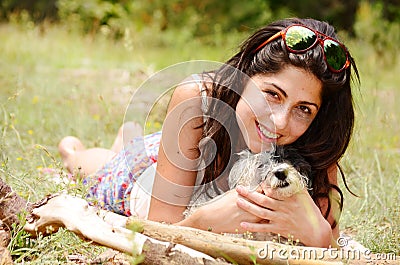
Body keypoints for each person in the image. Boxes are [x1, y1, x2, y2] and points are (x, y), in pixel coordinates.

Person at [58, 17, 359, 248]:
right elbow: (159, 228)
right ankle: (78, 149)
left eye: (303, 109)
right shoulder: (197, 98)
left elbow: (329, 240)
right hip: (155, 174)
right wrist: (204, 220)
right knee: (97, 165)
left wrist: (320, 234)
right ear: (244, 78)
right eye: (272, 94)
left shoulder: (316, 142)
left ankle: (129, 138)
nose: (279, 122)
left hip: (179, 155)